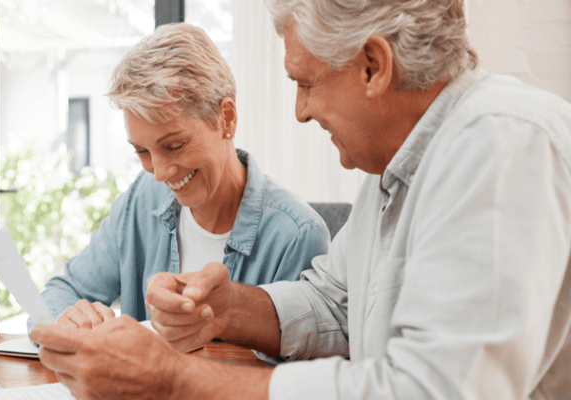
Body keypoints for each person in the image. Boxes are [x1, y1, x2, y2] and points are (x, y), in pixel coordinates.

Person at [31, 0, 571, 398]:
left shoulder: (501, 142)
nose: (300, 111)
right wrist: (227, 307)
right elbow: (334, 305)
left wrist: (172, 379)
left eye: (306, 82)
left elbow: (433, 389)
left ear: (373, 66)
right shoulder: (394, 174)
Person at [34, 22, 330, 330]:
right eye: (142, 152)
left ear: (226, 117)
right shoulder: (142, 199)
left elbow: (293, 369)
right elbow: (60, 292)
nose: (160, 172)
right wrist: (67, 318)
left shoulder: (297, 236)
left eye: (174, 146)